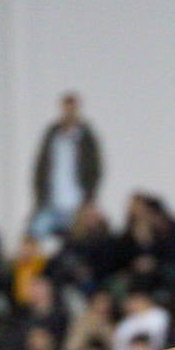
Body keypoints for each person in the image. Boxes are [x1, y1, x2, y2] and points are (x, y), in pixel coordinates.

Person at [30, 91, 103, 239]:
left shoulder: (86, 137)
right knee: (34, 236)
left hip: (76, 205)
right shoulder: (52, 135)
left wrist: (89, 199)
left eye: (72, 109)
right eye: (66, 109)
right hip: (51, 203)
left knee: (75, 242)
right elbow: (40, 168)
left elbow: (95, 170)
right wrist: (39, 197)